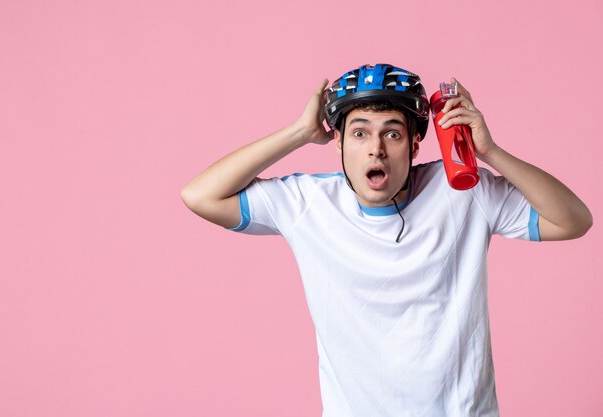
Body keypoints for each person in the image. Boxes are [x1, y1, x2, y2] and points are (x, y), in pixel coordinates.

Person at [181, 64, 592, 417]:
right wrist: (298, 133)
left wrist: (490, 151)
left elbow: (574, 220)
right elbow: (200, 195)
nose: (375, 150)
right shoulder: (308, 203)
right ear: (338, 142)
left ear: (415, 144)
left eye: (392, 135)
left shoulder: (466, 193)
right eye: (359, 134)